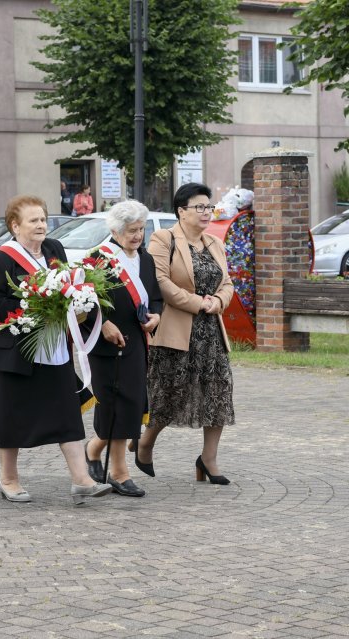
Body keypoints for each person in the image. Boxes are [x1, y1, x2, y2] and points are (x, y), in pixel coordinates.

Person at [0, 194, 111, 505]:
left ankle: (81, 479)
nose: (41, 225)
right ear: (15, 226)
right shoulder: (0, 259)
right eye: (33, 220)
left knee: (67, 413)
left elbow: (66, 285)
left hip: (56, 349)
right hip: (19, 351)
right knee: (12, 417)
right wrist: (35, 304)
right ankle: (8, 479)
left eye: (43, 219)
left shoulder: (54, 248)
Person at [137, 182, 236, 483]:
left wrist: (217, 302)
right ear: (181, 211)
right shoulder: (163, 239)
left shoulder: (215, 244)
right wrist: (198, 303)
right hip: (176, 331)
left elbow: (227, 284)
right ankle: (144, 444)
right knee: (168, 396)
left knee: (217, 395)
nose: (207, 212)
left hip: (212, 334)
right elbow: (160, 283)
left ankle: (208, 459)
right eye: (200, 207)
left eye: (210, 207)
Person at [82, 200, 162, 498]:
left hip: (136, 342)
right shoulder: (97, 260)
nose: (137, 235)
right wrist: (102, 324)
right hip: (106, 345)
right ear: (116, 230)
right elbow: (82, 303)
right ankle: (118, 472)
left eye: (141, 229)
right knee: (114, 405)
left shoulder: (147, 259)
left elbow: (155, 298)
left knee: (130, 404)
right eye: (131, 230)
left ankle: (93, 450)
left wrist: (156, 316)